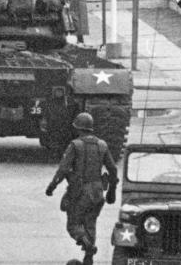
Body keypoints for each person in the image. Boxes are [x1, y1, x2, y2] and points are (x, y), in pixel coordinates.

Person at [45, 113, 117, 265]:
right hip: (98, 193)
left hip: (80, 193)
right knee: (90, 223)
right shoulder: (102, 145)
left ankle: (86, 243)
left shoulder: (75, 145)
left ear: (78, 128)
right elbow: (113, 169)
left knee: (73, 225)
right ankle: (88, 259)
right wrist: (112, 191)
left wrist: (52, 186)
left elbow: (63, 169)